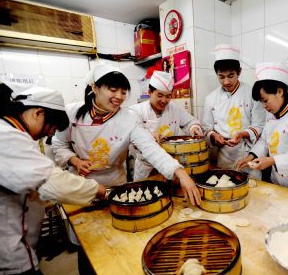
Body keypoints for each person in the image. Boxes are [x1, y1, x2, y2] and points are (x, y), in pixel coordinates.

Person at [0, 83, 106, 275]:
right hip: (5, 257)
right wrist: (98, 190)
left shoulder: (7, 132)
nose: (49, 134)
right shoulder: (1, 135)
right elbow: (50, 182)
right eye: (51, 127)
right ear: (38, 113)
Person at [52, 64, 200, 205]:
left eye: (123, 92)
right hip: (80, 185)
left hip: (114, 185)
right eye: (113, 90)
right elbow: (59, 145)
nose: (119, 96)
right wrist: (75, 161)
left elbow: (151, 148)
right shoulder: (71, 113)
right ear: (95, 87)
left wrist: (180, 172)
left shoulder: (128, 118)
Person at [236, 62, 288, 193]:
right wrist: (251, 156)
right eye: (261, 102)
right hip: (278, 182)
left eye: (265, 100)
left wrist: (272, 160)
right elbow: (265, 140)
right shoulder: (272, 111)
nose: (264, 106)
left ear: (280, 91)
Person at [202, 44, 266, 176]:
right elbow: (206, 128)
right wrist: (214, 136)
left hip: (248, 157)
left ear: (239, 72)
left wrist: (243, 134)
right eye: (221, 77)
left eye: (230, 76)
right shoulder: (210, 99)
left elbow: (260, 126)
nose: (226, 82)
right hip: (223, 158)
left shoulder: (251, 94)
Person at [129, 71, 203, 180]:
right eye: (160, 95)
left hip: (172, 165)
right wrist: (149, 135)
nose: (164, 100)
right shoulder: (136, 111)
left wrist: (194, 128)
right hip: (146, 169)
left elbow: (191, 122)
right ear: (150, 92)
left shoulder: (175, 109)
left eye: (168, 96)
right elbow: (134, 138)